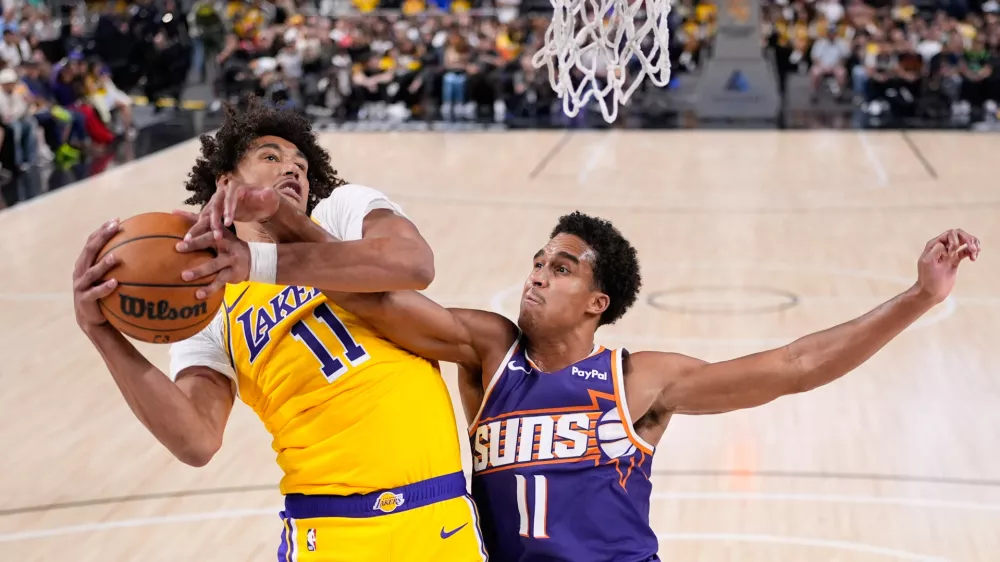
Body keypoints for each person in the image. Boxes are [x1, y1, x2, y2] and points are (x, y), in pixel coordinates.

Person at [265, 211, 979, 561]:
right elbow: (377, 302)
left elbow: (795, 367)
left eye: (563, 268)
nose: (538, 273)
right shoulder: (486, 349)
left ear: (597, 302)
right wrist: (272, 239)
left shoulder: (637, 379)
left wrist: (919, 297)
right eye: (539, 260)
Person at [70, 99, 488, 562]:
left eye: (301, 164)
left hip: (439, 516)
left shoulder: (339, 215)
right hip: (328, 529)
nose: (291, 168)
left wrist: (273, 232)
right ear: (226, 183)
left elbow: (414, 263)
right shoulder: (206, 297)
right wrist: (102, 334)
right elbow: (196, 440)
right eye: (270, 157)